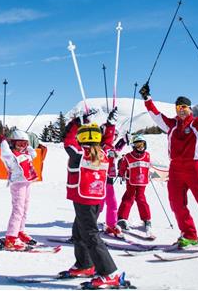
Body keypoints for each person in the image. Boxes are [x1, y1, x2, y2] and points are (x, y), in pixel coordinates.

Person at [139, 80, 198, 251]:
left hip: (194, 168)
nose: (181, 110)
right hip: (176, 169)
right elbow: (155, 114)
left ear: (190, 108)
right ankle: (189, 235)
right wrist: (147, 98)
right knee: (176, 202)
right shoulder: (171, 125)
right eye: (178, 107)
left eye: (184, 107)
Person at [61, 108, 128, 289]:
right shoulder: (104, 152)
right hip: (96, 200)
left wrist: (77, 123)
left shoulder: (79, 155)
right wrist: (111, 124)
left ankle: (109, 272)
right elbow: (107, 141)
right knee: (78, 232)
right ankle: (85, 265)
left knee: (90, 235)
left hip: (83, 200)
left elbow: (67, 140)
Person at [0, 129, 38, 251]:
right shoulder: (11, 156)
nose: (22, 147)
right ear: (13, 144)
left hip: (26, 183)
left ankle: (19, 231)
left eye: (24, 144)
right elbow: (4, 153)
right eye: (19, 144)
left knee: (25, 209)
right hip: (17, 185)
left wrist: (28, 144)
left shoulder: (26, 153)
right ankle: (11, 238)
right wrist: (4, 142)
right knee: (18, 210)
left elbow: (34, 154)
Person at [117, 134, 152, 235]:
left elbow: (148, 165)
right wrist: (121, 173)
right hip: (131, 181)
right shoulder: (128, 156)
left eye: (141, 144)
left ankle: (146, 219)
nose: (140, 147)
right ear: (133, 146)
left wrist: (149, 173)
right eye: (137, 145)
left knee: (141, 198)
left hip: (142, 181)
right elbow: (123, 167)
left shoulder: (147, 155)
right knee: (129, 197)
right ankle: (122, 218)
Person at [99, 129, 129, 237]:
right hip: (99, 179)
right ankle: (88, 224)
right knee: (99, 205)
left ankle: (111, 225)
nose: (114, 138)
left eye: (116, 136)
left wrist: (124, 140)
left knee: (112, 203)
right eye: (113, 136)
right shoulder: (99, 146)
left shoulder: (111, 148)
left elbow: (117, 148)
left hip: (109, 180)